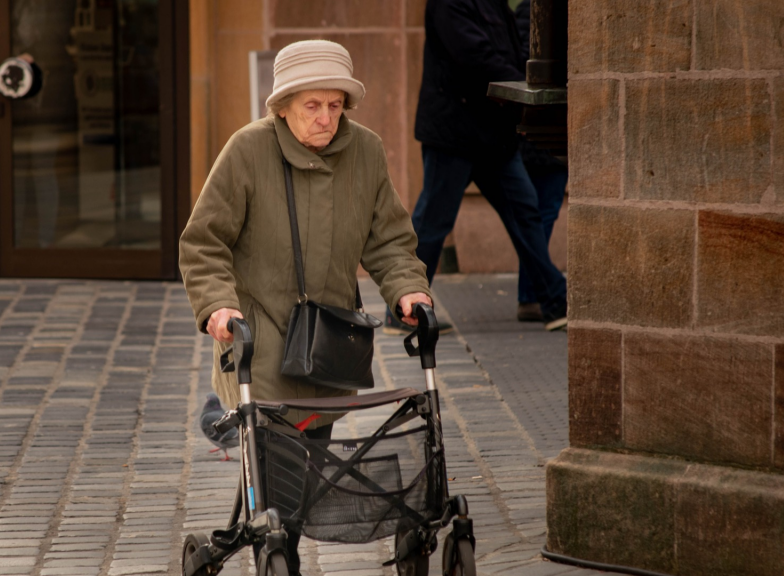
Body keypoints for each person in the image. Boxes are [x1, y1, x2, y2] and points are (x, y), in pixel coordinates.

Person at [178, 40, 433, 575]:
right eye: (312, 106)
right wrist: (218, 308)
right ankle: (279, 550)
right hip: (260, 340)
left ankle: (237, 458)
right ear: (284, 105)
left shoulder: (365, 150)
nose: (325, 118)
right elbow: (204, 243)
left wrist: (408, 288)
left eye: (335, 105)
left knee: (304, 461)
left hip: (329, 346)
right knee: (281, 474)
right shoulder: (247, 150)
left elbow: (388, 238)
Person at [395, 0, 568, 332]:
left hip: (493, 135)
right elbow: (474, 55)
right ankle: (406, 309)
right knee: (433, 221)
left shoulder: (493, 2)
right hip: (454, 133)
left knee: (525, 214)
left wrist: (525, 80)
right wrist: (519, 83)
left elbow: (513, 48)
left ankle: (554, 301)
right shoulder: (448, 4)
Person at [512, 0, 569, 322]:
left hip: (538, 129)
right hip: (543, 129)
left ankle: (534, 292)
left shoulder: (526, 12)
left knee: (536, 215)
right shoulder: (536, 14)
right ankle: (534, 293)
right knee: (540, 214)